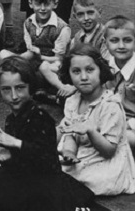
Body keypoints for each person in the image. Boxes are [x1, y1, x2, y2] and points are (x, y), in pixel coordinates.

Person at [0, 57, 115, 211]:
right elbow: (21, 163)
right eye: (6, 90)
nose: (14, 96)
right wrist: (8, 157)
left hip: (43, 185)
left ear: (30, 87)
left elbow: (46, 161)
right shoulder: (12, 118)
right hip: (23, 178)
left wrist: (16, 144)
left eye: (20, 88)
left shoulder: (40, 118)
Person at [57, 44, 135, 195]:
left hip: (105, 159)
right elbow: (70, 135)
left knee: (100, 180)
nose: (84, 77)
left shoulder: (110, 105)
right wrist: (69, 152)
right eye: (76, 71)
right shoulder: (72, 101)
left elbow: (109, 151)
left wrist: (90, 130)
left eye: (90, 70)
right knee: (57, 168)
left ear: (101, 71)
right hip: (83, 153)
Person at [40, 0, 109, 101]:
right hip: (79, 74)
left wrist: (74, 85)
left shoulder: (105, 37)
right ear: (74, 16)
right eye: (81, 14)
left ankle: (62, 97)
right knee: (45, 67)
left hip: (96, 77)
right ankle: (64, 90)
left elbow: (106, 69)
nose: (86, 18)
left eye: (90, 13)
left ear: (99, 13)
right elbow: (69, 63)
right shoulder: (77, 37)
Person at [0, 0, 70, 71]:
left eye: (47, 4)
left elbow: (59, 59)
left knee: (54, 67)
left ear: (55, 4)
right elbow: (30, 51)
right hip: (32, 61)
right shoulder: (28, 23)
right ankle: (20, 68)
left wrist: (39, 57)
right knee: (3, 53)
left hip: (50, 62)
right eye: (38, 4)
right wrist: (28, 56)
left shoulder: (62, 28)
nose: (42, 8)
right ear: (30, 4)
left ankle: (16, 68)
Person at [104, 15, 135, 149]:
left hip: (131, 125)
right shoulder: (104, 67)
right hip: (109, 120)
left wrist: (129, 124)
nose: (121, 46)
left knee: (128, 138)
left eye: (127, 40)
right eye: (114, 40)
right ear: (106, 43)